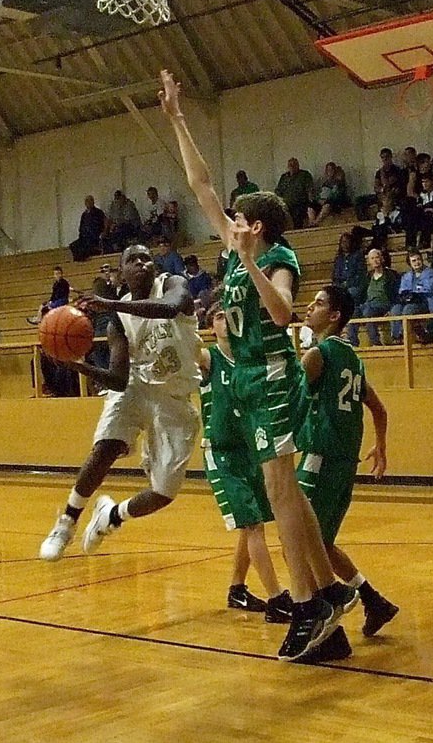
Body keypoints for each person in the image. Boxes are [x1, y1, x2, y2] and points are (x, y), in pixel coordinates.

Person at [159, 68, 351, 660]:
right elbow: (202, 187)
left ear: (257, 226)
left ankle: (308, 602)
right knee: (284, 492)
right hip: (242, 380)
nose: (229, 223)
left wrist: (254, 263)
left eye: (240, 220)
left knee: (279, 490)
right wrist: (177, 118)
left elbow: (282, 312)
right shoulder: (239, 251)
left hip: (271, 375)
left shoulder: (278, 257)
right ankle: (330, 601)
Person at [38, 244, 201, 559]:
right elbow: (117, 379)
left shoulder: (172, 284)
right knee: (106, 446)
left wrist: (109, 302)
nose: (141, 262)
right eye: (132, 259)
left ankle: (111, 516)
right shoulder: (117, 320)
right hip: (137, 386)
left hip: (174, 396)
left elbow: (169, 308)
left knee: (164, 492)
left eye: (145, 258)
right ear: (122, 271)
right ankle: (66, 522)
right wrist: (78, 366)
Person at [293, 286, 398, 661]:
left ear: (335, 315)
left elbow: (291, 400)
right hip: (343, 465)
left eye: (319, 303)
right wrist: (380, 446)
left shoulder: (316, 355)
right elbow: (380, 409)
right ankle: (373, 601)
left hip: (319, 459)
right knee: (321, 544)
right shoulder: (353, 359)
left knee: (302, 544)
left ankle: (320, 625)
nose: (309, 306)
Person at [199, 307, 288, 623]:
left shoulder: (249, 359)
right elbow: (186, 345)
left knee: (254, 523)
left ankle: (237, 589)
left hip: (250, 450)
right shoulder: (208, 358)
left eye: (228, 315)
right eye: (218, 316)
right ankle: (277, 598)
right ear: (211, 326)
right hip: (221, 452)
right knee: (252, 525)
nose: (225, 320)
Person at [347, 248, 399, 347]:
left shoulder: (391, 275)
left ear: (382, 259)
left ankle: (375, 342)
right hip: (368, 304)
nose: (375, 260)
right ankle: (352, 342)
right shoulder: (368, 276)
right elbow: (361, 294)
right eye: (372, 258)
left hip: (384, 304)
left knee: (368, 311)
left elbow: (396, 293)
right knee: (354, 311)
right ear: (369, 261)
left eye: (377, 257)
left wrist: (392, 308)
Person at [389, 250, 433, 344]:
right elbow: (402, 291)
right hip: (410, 301)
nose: (417, 262)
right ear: (410, 263)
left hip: (425, 301)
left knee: (408, 309)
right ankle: (396, 337)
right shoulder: (407, 276)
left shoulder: (429, 273)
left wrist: (413, 293)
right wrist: (408, 295)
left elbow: (428, 289)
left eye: (418, 259)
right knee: (395, 309)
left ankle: (404, 336)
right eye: (414, 261)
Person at [275, 157, 314, 230]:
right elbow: (278, 191)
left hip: (300, 203)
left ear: (298, 165)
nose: (292, 167)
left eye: (294, 165)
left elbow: (310, 189)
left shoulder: (304, 175)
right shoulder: (284, 177)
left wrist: (310, 200)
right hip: (285, 204)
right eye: (290, 165)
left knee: (297, 212)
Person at [69, 196, 107, 261]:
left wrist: (103, 232)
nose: (88, 203)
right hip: (84, 237)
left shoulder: (99, 212)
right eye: (86, 201)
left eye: (90, 201)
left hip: (94, 236)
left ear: (93, 202)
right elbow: (81, 227)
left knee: (87, 245)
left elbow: (104, 224)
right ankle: (79, 261)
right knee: (73, 245)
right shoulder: (84, 214)